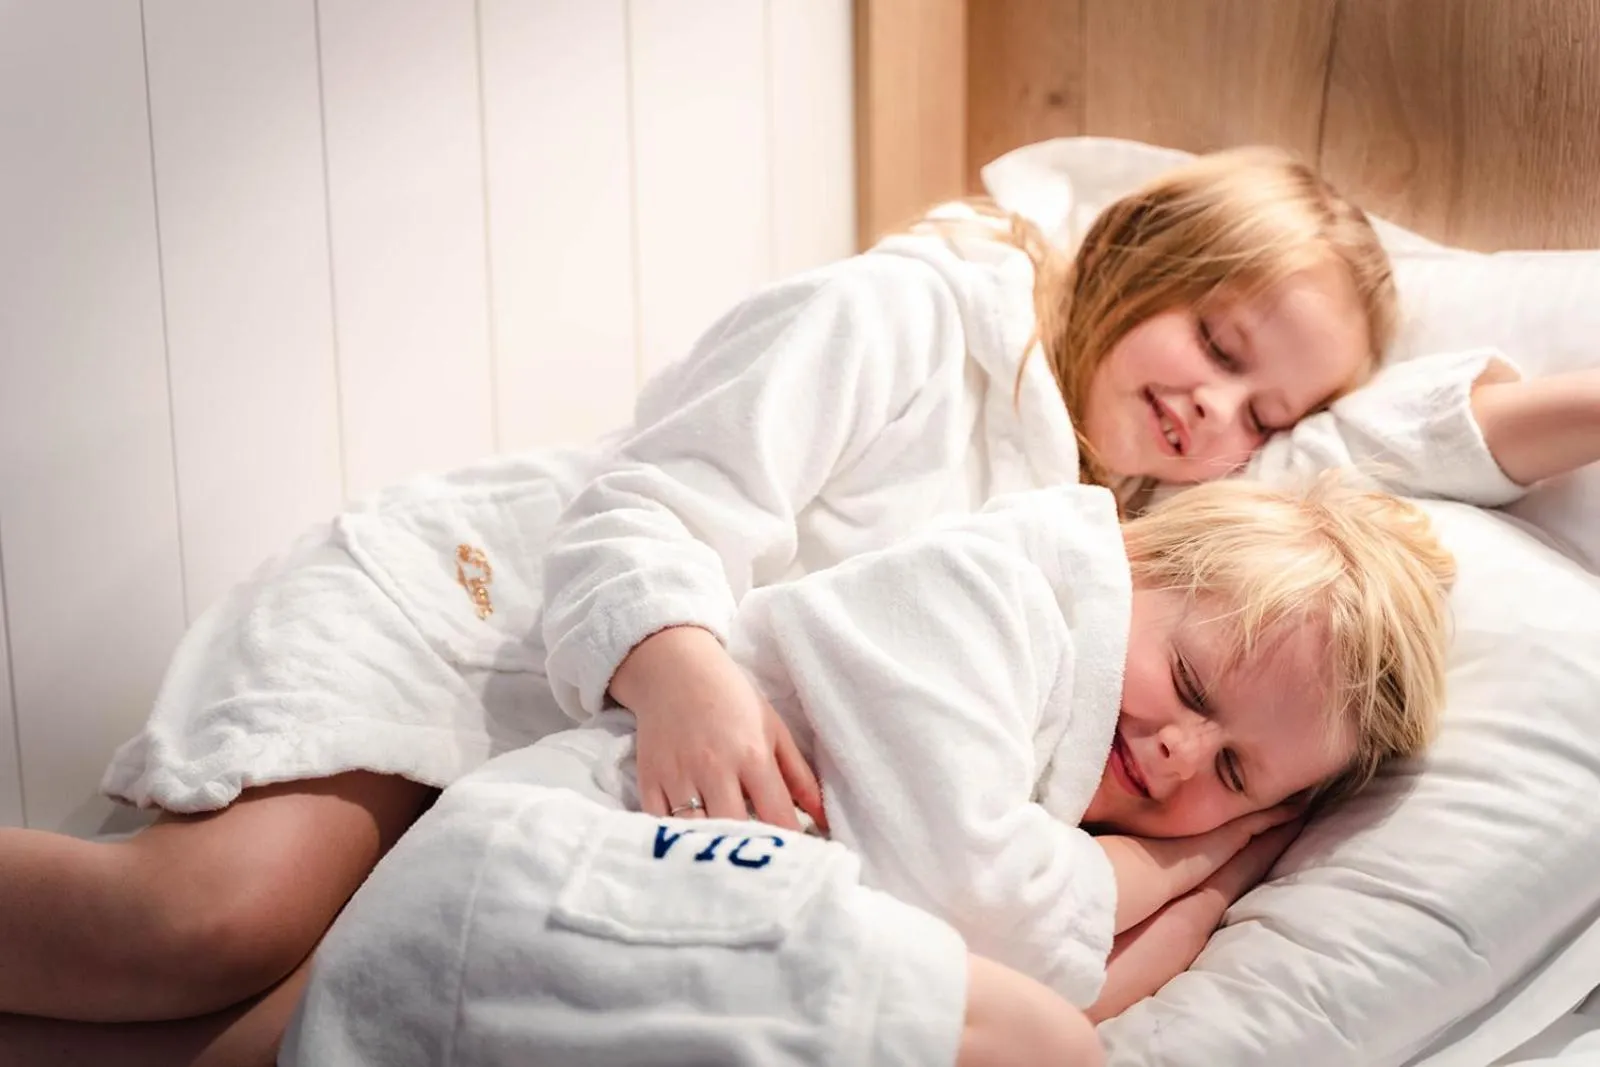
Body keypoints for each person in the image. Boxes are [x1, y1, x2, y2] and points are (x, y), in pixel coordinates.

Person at [0, 147, 1594, 1065]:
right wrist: (681, 663)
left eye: (1265, 416)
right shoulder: (917, 319)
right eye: (1217, 345)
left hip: (596, 772)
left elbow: (1373, 461)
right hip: (498, 611)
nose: (1220, 416)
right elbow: (652, 495)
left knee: (289, 1016)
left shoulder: (1157, 539)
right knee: (209, 922)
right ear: (1136, 255)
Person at [279, 475, 1454, 1067]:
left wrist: (1205, 895)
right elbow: (976, 906)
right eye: (1191, 687)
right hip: (557, 871)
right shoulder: (985, 598)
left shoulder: (1047, 804)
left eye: (1236, 771)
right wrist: (1182, 856)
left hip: (642, 964)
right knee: (1038, 1045)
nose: (1174, 753)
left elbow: (1064, 984)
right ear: (1134, 572)